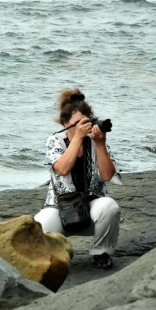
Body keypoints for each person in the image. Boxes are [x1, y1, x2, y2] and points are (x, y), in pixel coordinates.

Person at [34, 88, 120, 269]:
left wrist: (100, 144)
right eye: (76, 124)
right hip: (61, 207)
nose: (82, 127)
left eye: (85, 122)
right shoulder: (54, 141)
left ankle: (101, 253)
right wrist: (77, 139)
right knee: (39, 226)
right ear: (65, 123)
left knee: (109, 206)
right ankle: (54, 254)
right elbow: (62, 169)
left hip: (92, 206)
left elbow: (107, 175)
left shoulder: (96, 140)